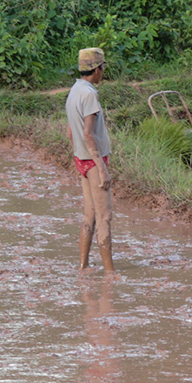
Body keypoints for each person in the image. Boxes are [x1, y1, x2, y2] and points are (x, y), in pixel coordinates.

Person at [66, 47, 115, 274]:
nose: (103, 72)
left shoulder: (75, 90)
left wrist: (80, 158)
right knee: (104, 216)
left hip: (81, 159)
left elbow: (70, 132)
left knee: (90, 214)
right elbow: (88, 133)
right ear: (96, 69)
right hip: (93, 160)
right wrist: (101, 168)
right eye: (102, 68)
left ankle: (83, 266)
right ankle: (110, 272)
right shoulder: (89, 94)